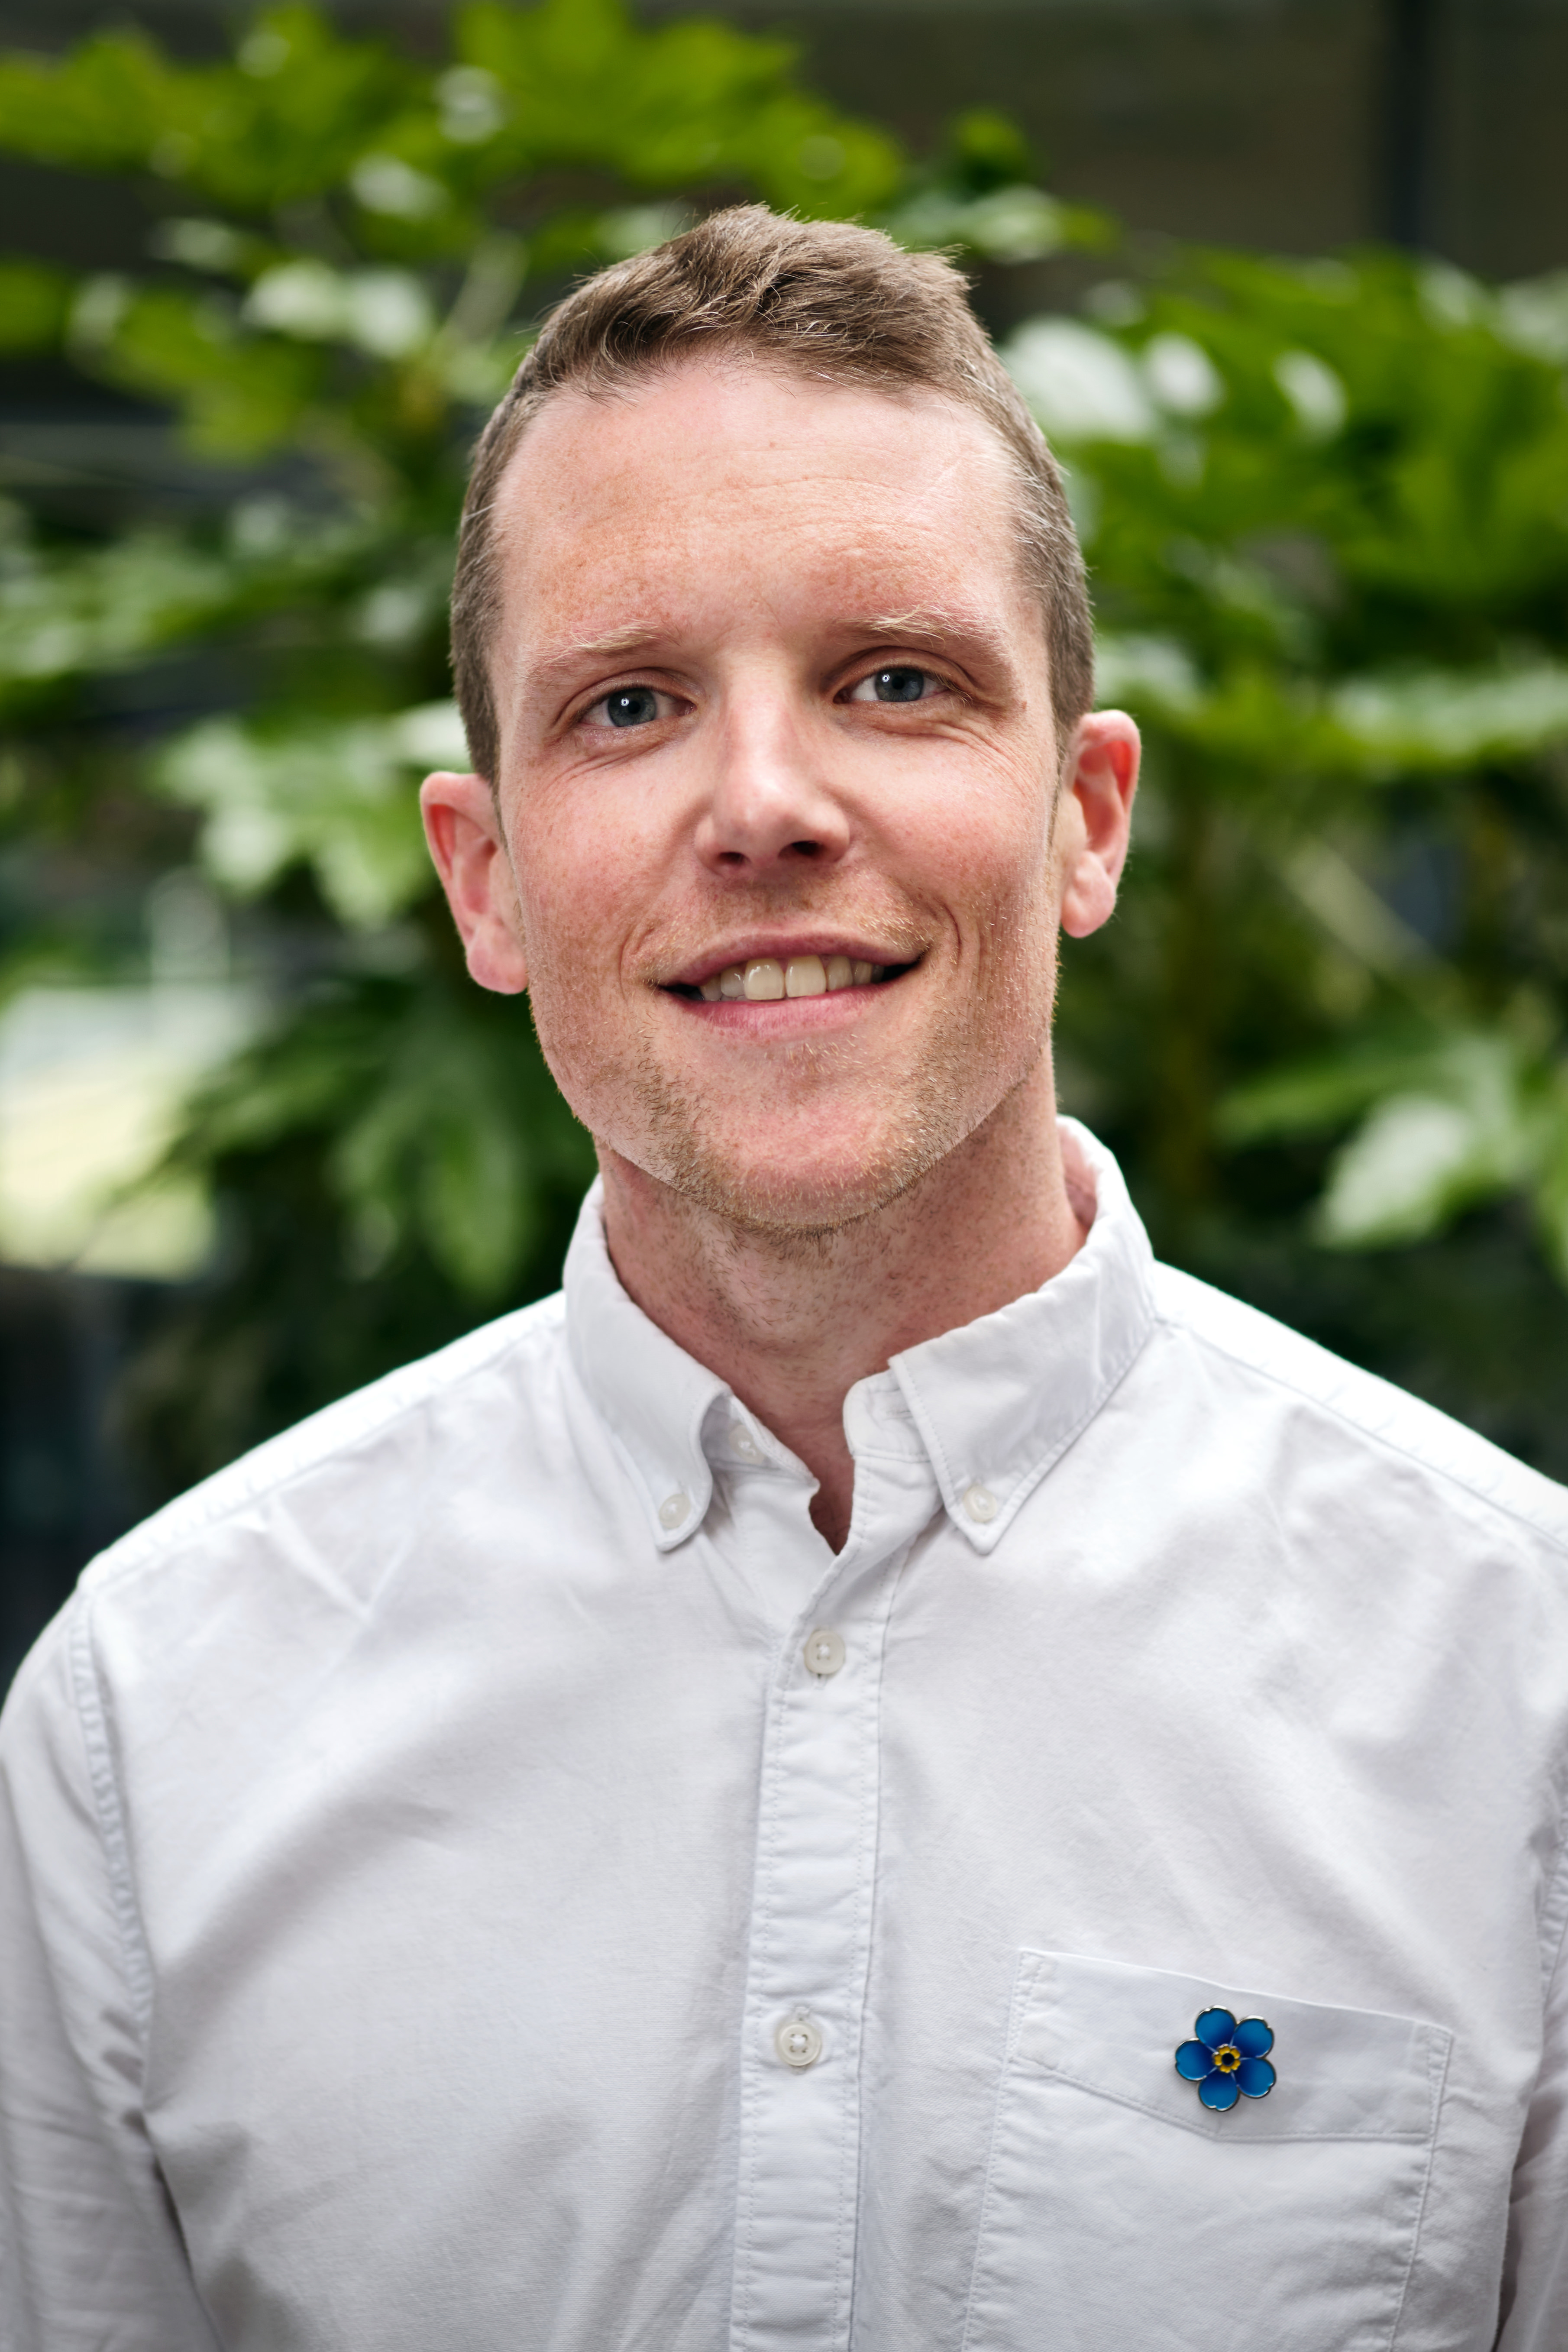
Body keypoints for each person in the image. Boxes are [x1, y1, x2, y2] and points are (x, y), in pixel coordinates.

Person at [1, 206, 1565, 2352]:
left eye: (894, 681)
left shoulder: (1522, 1698)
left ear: (1088, 818)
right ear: (487, 878)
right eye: (630, 703)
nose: (764, 804)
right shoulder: (150, 1733)